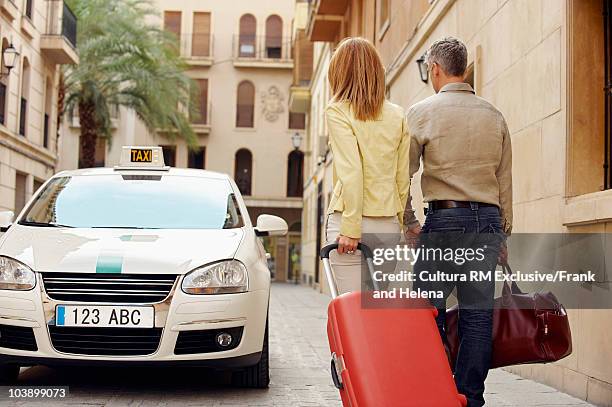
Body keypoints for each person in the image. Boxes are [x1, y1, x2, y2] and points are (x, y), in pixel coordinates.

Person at [404, 37, 513, 407]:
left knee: (427, 309)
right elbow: (504, 179)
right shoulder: (494, 115)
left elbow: (401, 174)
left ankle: (436, 389)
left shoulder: (421, 112)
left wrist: (407, 221)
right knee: (477, 315)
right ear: (463, 69)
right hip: (486, 224)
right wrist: (503, 234)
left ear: (434, 68)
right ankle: (469, 397)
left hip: (444, 222)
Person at [324, 37, 410, 295]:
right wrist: (397, 224)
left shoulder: (337, 111)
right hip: (387, 227)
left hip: (350, 224)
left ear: (339, 73)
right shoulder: (397, 114)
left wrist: (351, 228)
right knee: (374, 313)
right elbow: (401, 178)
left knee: (350, 316)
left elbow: (351, 173)